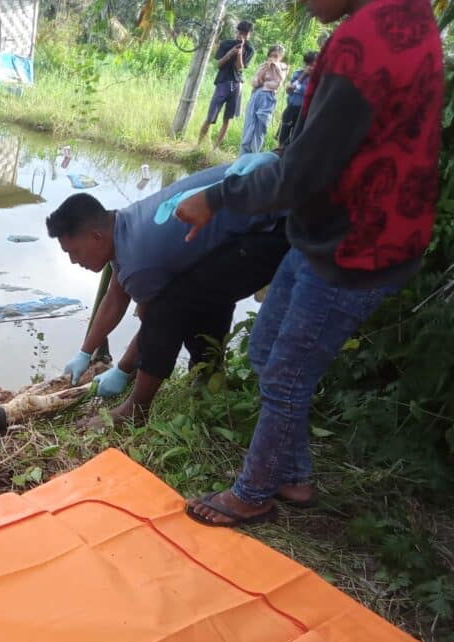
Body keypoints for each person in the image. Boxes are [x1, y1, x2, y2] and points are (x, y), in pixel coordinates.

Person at [174, 0, 443, 527]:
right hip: (337, 228)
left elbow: (301, 173)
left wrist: (218, 197)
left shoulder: (365, 45)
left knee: (285, 377)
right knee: (265, 348)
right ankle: (292, 476)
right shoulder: (407, 14)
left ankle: (253, 493)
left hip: (358, 245)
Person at [50, 163, 290, 425]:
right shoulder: (126, 224)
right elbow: (115, 297)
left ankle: (135, 410)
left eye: (73, 252)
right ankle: (207, 379)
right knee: (196, 290)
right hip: (266, 200)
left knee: (172, 307)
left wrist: (123, 369)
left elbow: (153, 321)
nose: (74, 261)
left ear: (96, 237)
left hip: (275, 225)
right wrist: (84, 353)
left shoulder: (140, 258)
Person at [198, 21, 256, 151]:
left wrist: (240, 53)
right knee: (210, 117)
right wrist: (229, 53)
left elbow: (239, 68)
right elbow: (219, 65)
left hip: (237, 85)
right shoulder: (225, 44)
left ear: (249, 34)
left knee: (227, 119)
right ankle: (198, 145)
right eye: (240, 32)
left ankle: (215, 148)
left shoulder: (250, 49)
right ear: (237, 32)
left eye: (245, 34)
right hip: (223, 83)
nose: (242, 36)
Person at [240, 44, 288, 155]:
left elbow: (278, 83)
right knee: (249, 126)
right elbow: (255, 83)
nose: (273, 58)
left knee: (260, 129)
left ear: (280, 57)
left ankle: (253, 157)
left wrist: (275, 67)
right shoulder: (263, 65)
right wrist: (265, 70)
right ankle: (242, 156)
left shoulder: (283, 67)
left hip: (268, 98)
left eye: (276, 56)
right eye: (271, 55)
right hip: (256, 95)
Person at [278, 50, 317, 146]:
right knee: (283, 135)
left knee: (295, 138)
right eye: (307, 64)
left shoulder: (317, 79)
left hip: (302, 112)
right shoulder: (298, 74)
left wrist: (296, 87)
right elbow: (289, 89)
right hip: (291, 108)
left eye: (312, 65)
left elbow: (307, 92)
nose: (309, 68)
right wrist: (303, 76)